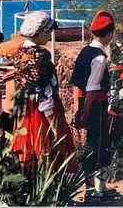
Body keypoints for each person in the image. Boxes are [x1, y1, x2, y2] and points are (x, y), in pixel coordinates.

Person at [11, 12, 75, 169]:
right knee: (49, 155)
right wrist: (54, 126)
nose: (49, 35)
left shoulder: (19, 53)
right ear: (38, 32)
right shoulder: (41, 56)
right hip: (41, 115)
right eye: (48, 32)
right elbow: (43, 94)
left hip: (23, 112)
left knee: (28, 157)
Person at [71, 10, 117, 203]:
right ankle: (94, 192)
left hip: (86, 106)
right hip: (95, 107)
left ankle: (97, 188)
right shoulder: (99, 58)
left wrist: (77, 111)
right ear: (109, 33)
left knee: (93, 147)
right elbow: (91, 90)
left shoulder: (84, 52)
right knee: (98, 148)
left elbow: (77, 87)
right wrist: (86, 114)